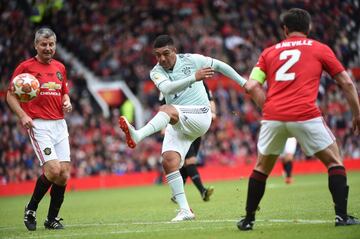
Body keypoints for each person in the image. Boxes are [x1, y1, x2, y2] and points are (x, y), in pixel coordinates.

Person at [119, 34, 264, 222]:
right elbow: (168, 89)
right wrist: (194, 78)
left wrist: (243, 83)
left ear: (174, 51)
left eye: (166, 53)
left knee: (166, 109)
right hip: (179, 120)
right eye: (157, 55)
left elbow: (219, 65)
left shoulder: (192, 60)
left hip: (200, 115)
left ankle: (138, 135)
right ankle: (185, 210)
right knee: (168, 161)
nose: (162, 58)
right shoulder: (156, 72)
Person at [238, 8, 360, 230]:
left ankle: (248, 220)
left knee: (261, 168)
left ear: (285, 29)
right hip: (305, 114)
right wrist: (357, 113)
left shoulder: (269, 52)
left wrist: (268, 107)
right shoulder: (320, 49)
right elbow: (347, 82)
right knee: (334, 161)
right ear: (309, 28)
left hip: (273, 116)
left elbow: (252, 86)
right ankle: (342, 216)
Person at [6, 27, 72, 231]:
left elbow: (63, 93)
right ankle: (31, 208)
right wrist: (23, 115)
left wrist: (67, 101)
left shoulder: (60, 67)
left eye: (51, 44)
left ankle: (52, 219)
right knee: (53, 170)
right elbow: (10, 95)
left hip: (60, 124)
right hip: (39, 124)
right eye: (44, 44)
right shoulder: (25, 67)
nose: (48, 48)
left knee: (64, 174)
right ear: (36, 45)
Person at [171, 83, 216, 203]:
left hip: (196, 125)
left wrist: (213, 113)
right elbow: (164, 103)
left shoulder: (200, 83)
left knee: (188, 164)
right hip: (183, 125)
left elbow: (210, 99)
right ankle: (202, 191)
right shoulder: (174, 83)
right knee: (190, 161)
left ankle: (177, 194)